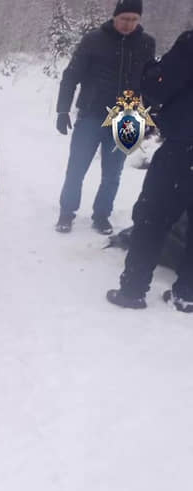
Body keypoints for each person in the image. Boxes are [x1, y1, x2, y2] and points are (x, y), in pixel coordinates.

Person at [107, 30, 193, 312]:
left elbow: (158, 86)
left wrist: (153, 69)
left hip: (183, 150)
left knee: (152, 218)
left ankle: (133, 289)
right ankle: (187, 294)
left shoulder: (190, 44)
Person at [54, 0, 155, 235]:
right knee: (77, 168)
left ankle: (101, 215)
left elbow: (149, 83)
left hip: (125, 118)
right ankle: (66, 213)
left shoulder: (146, 44)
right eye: (124, 19)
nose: (128, 24)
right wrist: (62, 110)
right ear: (114, 17)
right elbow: (71, 76)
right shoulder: (94, 40)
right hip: (91, 114)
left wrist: (149, 115)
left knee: (112, 173)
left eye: (133, 19)